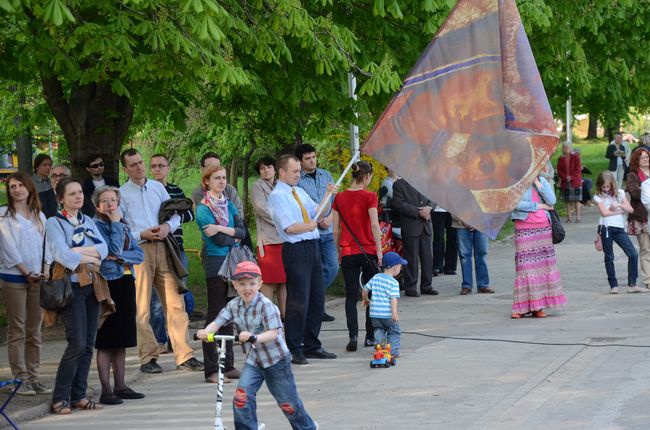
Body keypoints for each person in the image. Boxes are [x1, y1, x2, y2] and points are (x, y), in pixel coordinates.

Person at [196, 261, 319, 430]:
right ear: (235, 285)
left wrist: (254, 337)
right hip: (254, 360)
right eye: (242, 284)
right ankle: (247, 427)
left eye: (252, 284)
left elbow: (273, 333)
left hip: (276, 360)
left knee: (287, 402)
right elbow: (218, 321)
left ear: (260, 284)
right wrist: (206, 331)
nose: (247, 289)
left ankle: (307, 427)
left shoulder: (267, 306)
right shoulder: (233, 305)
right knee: (242, 397)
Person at [119, 148, 203, 374]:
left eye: (140, 162)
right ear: (125, 169)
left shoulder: (157, 188)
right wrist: (141, 235)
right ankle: (148, 357)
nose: (139, 167)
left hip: (164, 247)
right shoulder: (121, 194)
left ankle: (184, 355)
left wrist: (167, 227)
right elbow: (121, 229)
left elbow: (174, 214)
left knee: (175, 302)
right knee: (143, 305)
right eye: (133, 164)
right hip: (139, 250)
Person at [267, 154, 338, 365]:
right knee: (299, 300)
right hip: (296, 249)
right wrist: (311, 225)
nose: (299, 175)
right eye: (295, 171)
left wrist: (327, 196)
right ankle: (294, 346)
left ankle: (312, 344)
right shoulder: (278, 196)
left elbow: (318, 210)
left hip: (313, 246)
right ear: (282, 172)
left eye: (299, 171)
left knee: (317, 298)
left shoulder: (298, 191)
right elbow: (290, 227)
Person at [47, 177, 108, 414]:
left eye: (80, 192)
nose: (78, 197)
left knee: (89, 343)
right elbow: (62, 255)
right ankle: (60, 397)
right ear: (61, 198)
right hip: (70, 288)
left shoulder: (88, 221)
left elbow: (103, 249)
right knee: (77, 343)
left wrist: (80, 252)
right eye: (72, 194)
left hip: (91, 286)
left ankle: (79, 395)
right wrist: (87, 255)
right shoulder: (55, 222)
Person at [92, 186, 145, 405]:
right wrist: (114, 224)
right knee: (106, 340)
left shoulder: (123, 224)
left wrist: (120, 257)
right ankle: (106, 390)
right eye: (105, 201)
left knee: (122, 338)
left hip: (125, 282)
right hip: (108, 284)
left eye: (114, 200)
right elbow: (109, 250)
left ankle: (121, 385)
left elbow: (139, 254)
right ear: (97, 206)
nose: (110, 205)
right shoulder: (96, 226)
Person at [0, 173, 51, 396]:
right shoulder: (3, 216)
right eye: (13, 186)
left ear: (29, 188)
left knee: (35, 330)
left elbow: (46, 245)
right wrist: (25, 271)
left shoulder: (39, 215)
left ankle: (33, 376)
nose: (17, 189)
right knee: (17, 328)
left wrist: (46, 268)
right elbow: (8, 248)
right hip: (14, 277)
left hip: (37, 277)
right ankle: (19, 378)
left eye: (21, 185)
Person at [195, 164, 245, 383]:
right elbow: (219, 241)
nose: (222, 182)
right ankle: (212, 369)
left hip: (232, 260)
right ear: (207, 181)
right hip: (216, 262)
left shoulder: (228, 204)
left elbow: (242, 232)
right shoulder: (204, 208)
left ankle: (228, 365)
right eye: (217, 178)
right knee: (216, 314)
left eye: (224, 178)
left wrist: (223, 228)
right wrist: (230, 234)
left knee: (230, 313)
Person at [332, 161, 382, 351]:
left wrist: (338, 251)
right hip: (368, 251)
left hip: (348, 252)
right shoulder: (370, 196)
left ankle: (352, 336)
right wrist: (379, 250)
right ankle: (370, 336)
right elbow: (374, 225)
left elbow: (335, 230)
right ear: (367, 176)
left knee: (351, 295)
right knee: (371, 293)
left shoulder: (339, 198)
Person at [149, 153, 195, 353]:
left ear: (168, 168)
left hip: (176, 247)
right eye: (154, 166)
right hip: (154, 247)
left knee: (179, 294)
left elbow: (190, 213)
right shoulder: (148, 190)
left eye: (161, 165)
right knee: (156, 301)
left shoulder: (175, 190)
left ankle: (177, 341)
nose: (157, 169)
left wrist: (173, 217)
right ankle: (159, 340)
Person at [510, 176, 567, 318]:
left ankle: (538, 306)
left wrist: (537, 182)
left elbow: (552, 201)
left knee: (542, 267)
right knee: (525, 268)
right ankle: (521, 307)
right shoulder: (517, 181)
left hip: (543, 227)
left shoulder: (542, 181)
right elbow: (516, 204)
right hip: (524, 226)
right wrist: (539, 206)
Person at [295, 144, 339, 322]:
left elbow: (335, 199)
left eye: (313, 157)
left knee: (333, 266)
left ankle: (313, 299)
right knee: (315, 271)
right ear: (300, 161)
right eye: (308, 158)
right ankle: (316, 308)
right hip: (310, 231)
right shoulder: (298, 180)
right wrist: (315, 219)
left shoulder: (325, 174)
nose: (312, 160)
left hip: (327, 229)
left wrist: (329, 218)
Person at [594, 171, 644, 294]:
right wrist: (614, 210)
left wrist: (620, 206)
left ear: (612, 184)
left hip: (619, 228)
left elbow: (630, 209)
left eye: (608, 186)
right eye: (603, 187)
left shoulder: (620, 193)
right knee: (609, 257)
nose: (606, 189)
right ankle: (613, 285)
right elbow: (604, 213)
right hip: (606, 228)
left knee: (633, 254)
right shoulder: (598, 196)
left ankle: (632, 284)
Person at [250, 156, 287, 318]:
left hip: (285, 238)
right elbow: (262, 209)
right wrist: (285, 221)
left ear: (275, 168)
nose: (266, 170)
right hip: (269, 240)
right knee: (269, 279)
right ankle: (267, 316)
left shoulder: (283, 184)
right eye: (262, 168)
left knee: (284, 280)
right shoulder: (257, 187)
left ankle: (285, 316)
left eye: (269, 167)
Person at [391, 178, 437, 297]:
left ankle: (427, 285)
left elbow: (435, 197)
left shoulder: (427, 182)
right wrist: (418, 212)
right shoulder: (399, 185)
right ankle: (410, 287)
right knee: (411, 258)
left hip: (426, 225)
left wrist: (429, 208)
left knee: (428, 257)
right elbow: (398, 204)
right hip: (411, 225)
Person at [362, 252, 404, 358]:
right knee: (394, 331)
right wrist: (394, 314)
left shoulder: (376, 277)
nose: (401, 269)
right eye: (400, 267)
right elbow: (393, 300)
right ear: (394, 269)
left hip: (374, 314)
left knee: (379, 329)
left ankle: (379, 348)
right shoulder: (394, 283)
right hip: (387, 314)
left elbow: (365, 289)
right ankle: (393, 352)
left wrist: (365, 299)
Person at [625, 148, 650, 289]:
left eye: (647, 157)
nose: (646, 159)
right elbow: (634, 193)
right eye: (642, 158)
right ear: (637, 160)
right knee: (646, 249)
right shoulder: (633, 175)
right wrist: (645, 189)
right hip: (641, 216)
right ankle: (648, 280)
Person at [452, 216, 493, 295]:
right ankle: (467, 286)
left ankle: (483, 285)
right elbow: (453, 205)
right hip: (461, 223)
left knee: (482, 254)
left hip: (482, 223)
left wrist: (478, 222)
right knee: (465, 256)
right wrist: (463, 220)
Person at [557, 143, 583, 223]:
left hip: (575, 181)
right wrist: (565, 177)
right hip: (566, 182)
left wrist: (571, 177)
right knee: (567, 200)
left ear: (570, 148)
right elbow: (559, 170)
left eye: (567, 147)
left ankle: (578, 217)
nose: (565, 148)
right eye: (564, 147)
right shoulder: (560, 158)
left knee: (577, 200)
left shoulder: (575, 157)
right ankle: (569, 218)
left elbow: (578, 169)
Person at [431, 205, 457, 276]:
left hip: (453, 210)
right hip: (438, 209)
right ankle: (437, 266)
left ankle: (450, 267)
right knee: (438, 238)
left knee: (453, 238)